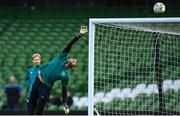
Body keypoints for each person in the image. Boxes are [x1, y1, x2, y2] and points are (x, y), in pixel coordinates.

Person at [28, 26, 88, 115]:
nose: (73, 60)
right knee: (31, 103)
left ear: (72, 66)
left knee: (39, 109)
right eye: (73, 59)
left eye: (74, 61)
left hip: (46, 88)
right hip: (38, 80)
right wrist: (79, 35)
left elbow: (64, 91)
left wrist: (65, 104)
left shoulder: (65, 75)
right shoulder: (62, 57)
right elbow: (69, 45)